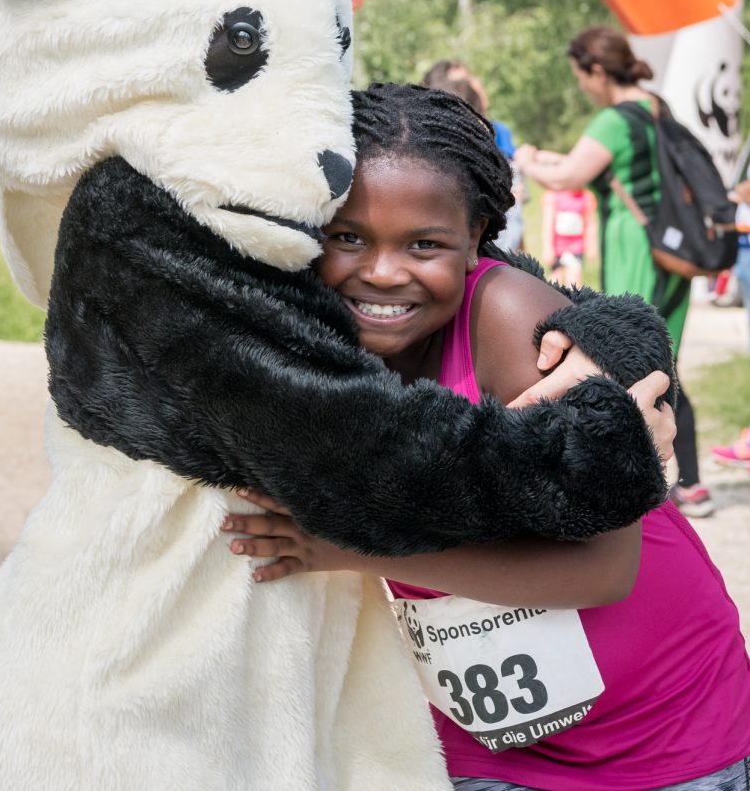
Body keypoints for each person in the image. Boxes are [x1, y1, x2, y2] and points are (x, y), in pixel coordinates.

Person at [224, 83, 750, 791]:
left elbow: (603, 571)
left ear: (475, 240)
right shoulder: (302, 332)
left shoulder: (509, 318)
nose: (381, 271)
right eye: (348, 236)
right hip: (483, 742)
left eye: (424, 244)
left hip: (661, 730)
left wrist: (353, 546)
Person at [514, 25, 714, 518]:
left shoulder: (613, 120)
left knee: (633, 363)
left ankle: (653, 480)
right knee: (666, 361)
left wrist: (524, 158)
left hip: (636, 249)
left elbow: (568, 176)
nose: (582, 86)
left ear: (597, 70)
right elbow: (593, 166)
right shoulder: (654, 107)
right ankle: (689, 483)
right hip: (672, 250)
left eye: (581, 76)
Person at [422, 60, 526, 252]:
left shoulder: (500, 133)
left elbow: (516, 209)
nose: (474, 84)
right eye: (464, 81)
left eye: (470, 79)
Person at [541, 187, 598, 286]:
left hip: (576, 247)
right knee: (555, 280)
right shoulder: (553, 196)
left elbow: (590, 223)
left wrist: (592, 246)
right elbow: (548, 224)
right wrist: (548, 248)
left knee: (574, 280)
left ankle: (572, 300)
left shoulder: (586, 197)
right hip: (557, 248)